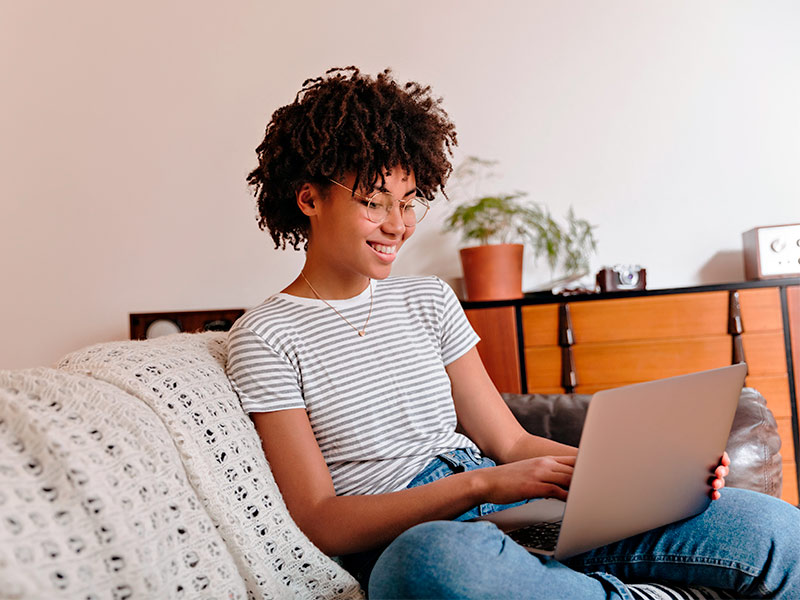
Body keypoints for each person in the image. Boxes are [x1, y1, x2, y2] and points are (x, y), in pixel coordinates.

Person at [226, 66, 799, 599]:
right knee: (431, 566)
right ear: (308, 199)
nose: (398, 226)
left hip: (518, 505)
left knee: (773, 525)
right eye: (374, 203)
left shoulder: (427, 298)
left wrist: (646, 475)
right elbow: (321, 520)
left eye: (408, 203)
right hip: (427, 533)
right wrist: (480, 489)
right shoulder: (267, 335)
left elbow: (512, 445)